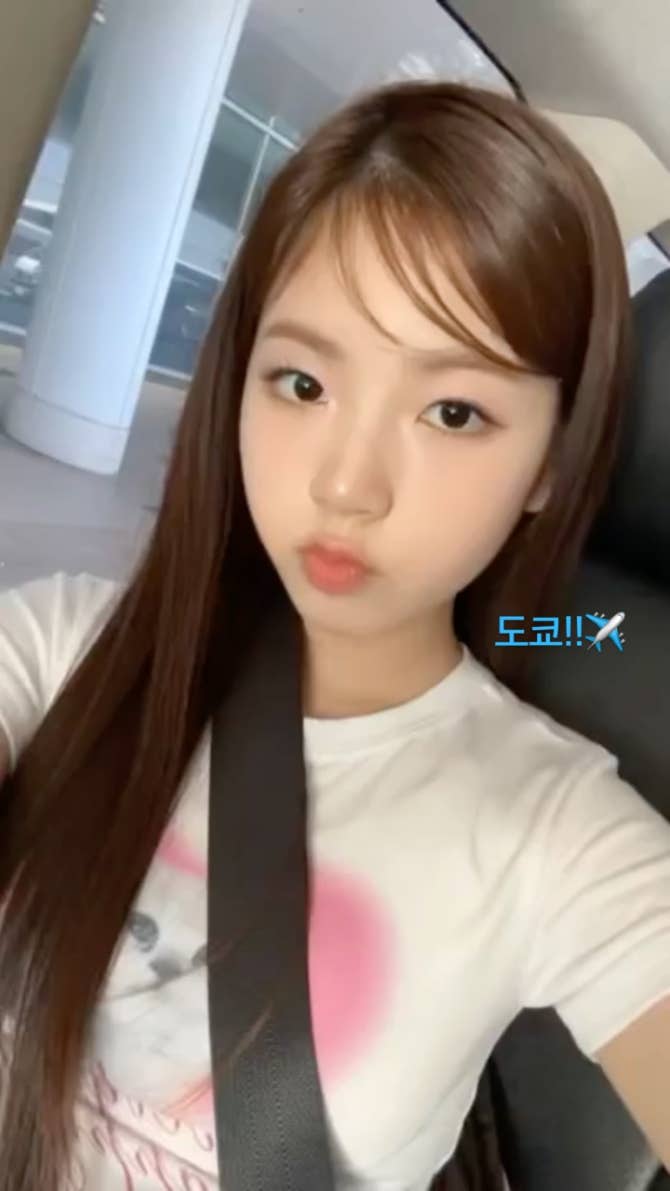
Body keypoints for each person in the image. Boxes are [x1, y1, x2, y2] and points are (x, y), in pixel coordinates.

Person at [0, 79, 668, 1191]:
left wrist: (572, 626)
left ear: (551, 462)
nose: (347, 484)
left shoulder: (556, 836)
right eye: (302, 382)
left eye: (453, 411)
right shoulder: (63, 647)